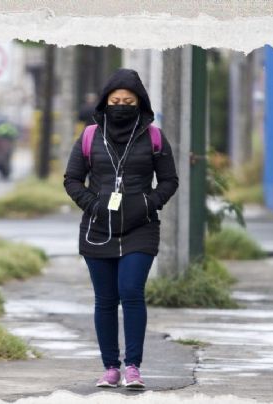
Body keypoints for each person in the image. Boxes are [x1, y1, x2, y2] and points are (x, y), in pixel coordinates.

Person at [63, 68, 179, 389]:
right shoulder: (89, 136)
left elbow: (169, 180)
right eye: (116, 100)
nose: (122, 106)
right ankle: (111, 368)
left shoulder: (153, 136)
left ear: (139, 103)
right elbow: (72, 179)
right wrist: (94, 204)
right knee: (105, 299)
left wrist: (148, 203)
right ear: (105, 102)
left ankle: (134, 368)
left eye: (129, 101)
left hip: (140, 228)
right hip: (97, 229)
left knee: (130, 291)